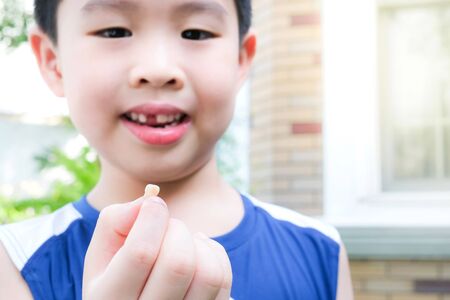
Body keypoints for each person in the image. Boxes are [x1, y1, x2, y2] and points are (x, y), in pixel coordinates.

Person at [0, 0, 353, 299]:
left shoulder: (320, 250)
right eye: (114, 32)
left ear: (241, 60)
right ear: (52, 60)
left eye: (196, 33)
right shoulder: (15, 261)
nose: (158, 70)